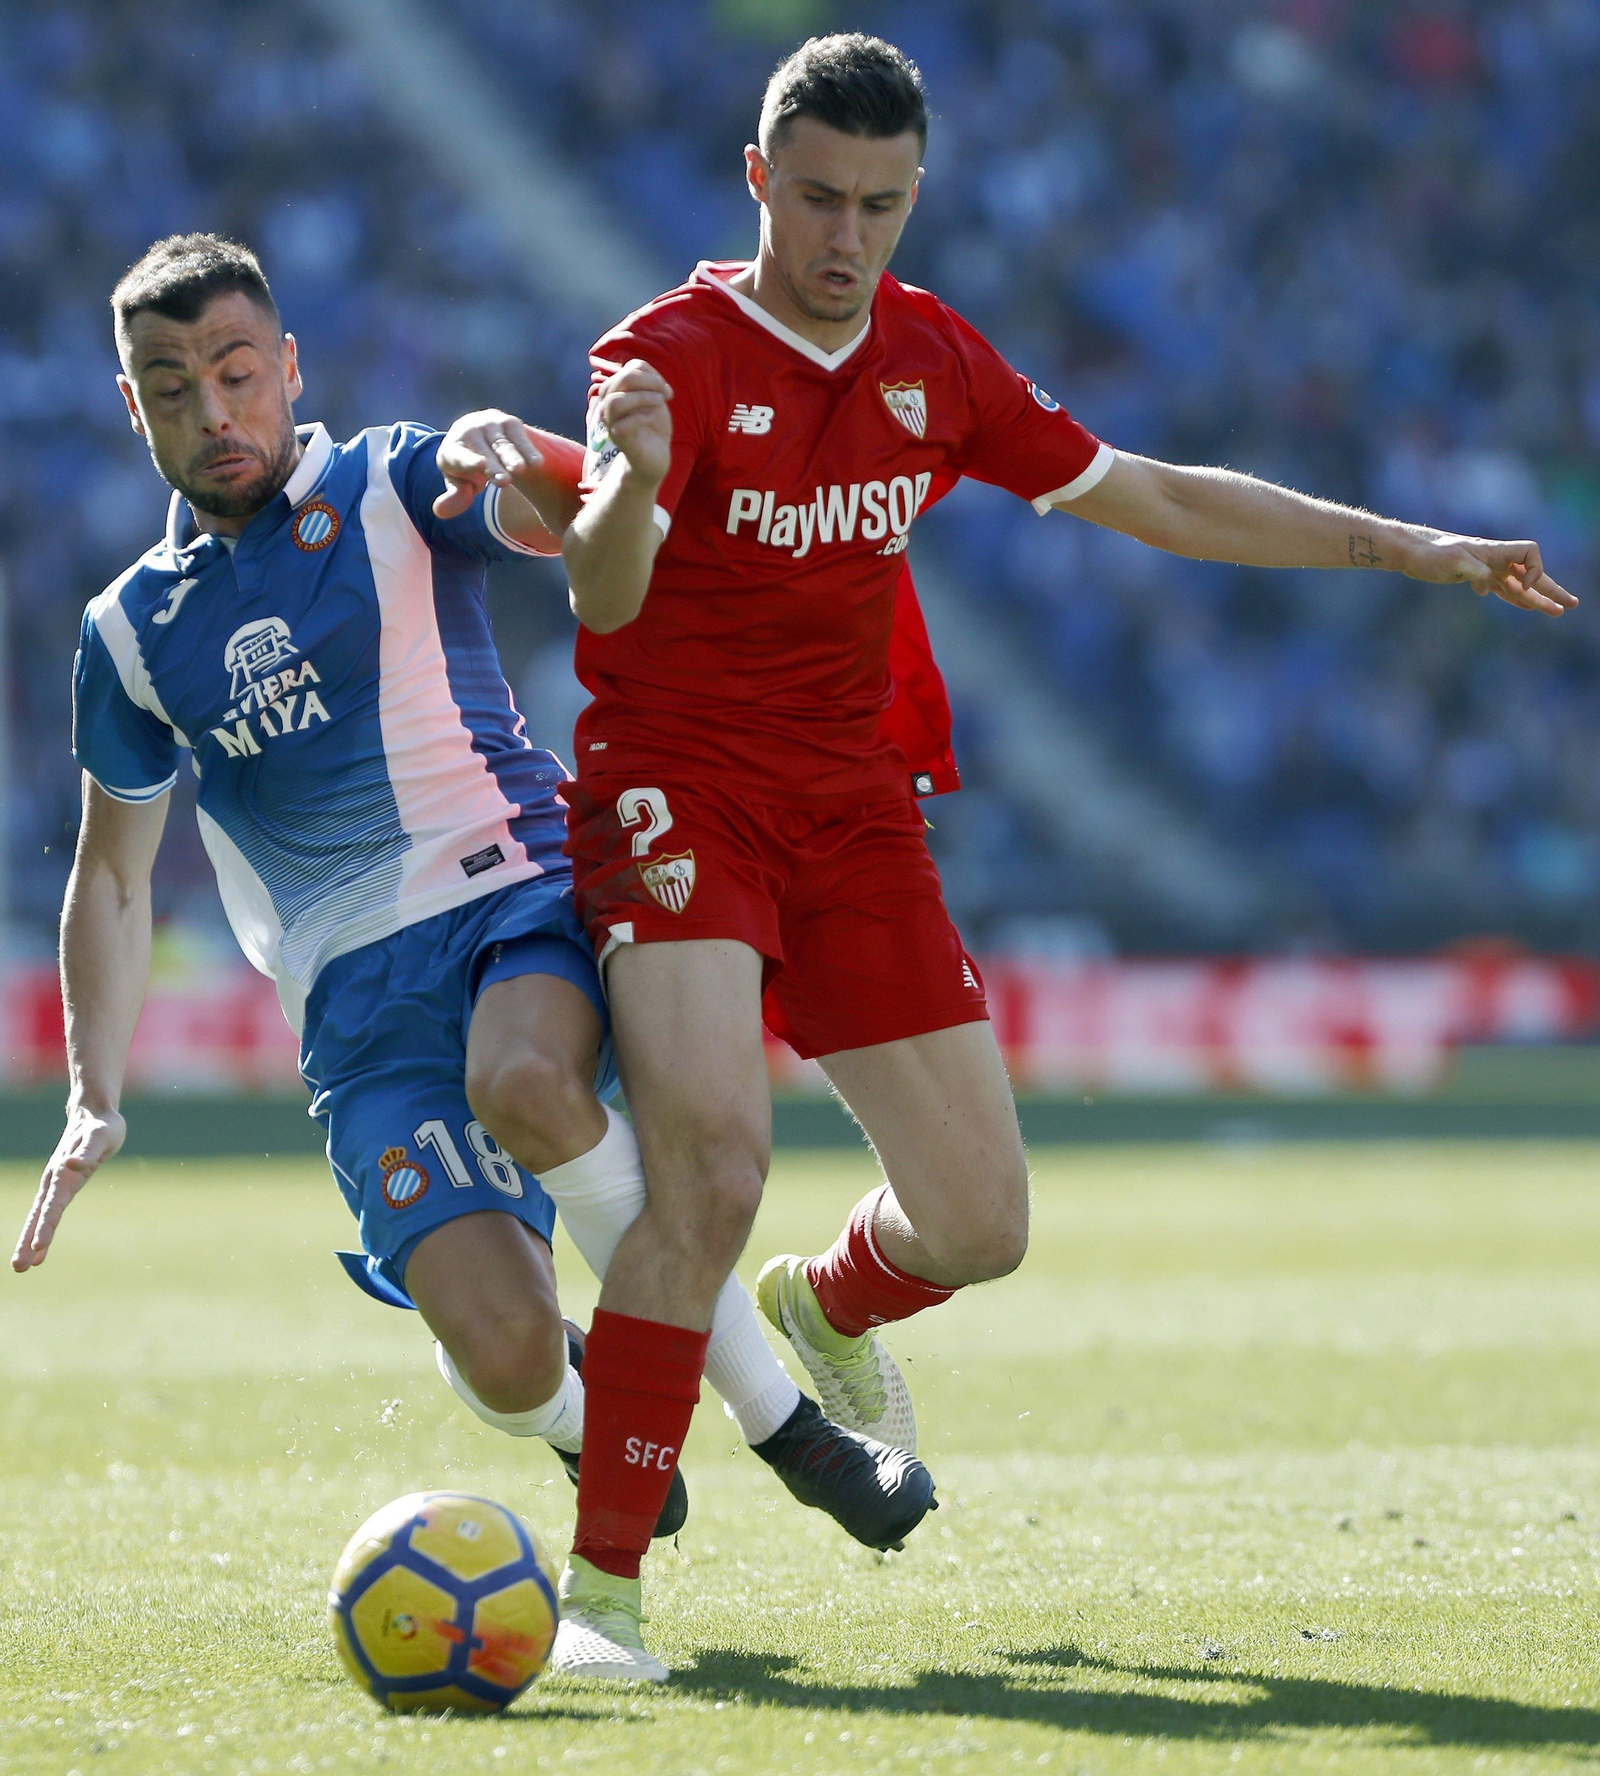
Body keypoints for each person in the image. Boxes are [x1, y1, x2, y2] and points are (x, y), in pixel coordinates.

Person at [551, 33, 1577, 1671]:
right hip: (676, 794)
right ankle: (603, 1597)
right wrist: (638, 479)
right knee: (715, 1172)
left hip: (854, 810)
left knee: (979, 1225)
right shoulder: (664, 358)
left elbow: (1153, 496)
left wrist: (1405, 544)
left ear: (914, 198)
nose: (845, 236)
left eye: (880, 204)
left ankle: (827, 1305)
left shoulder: (932, 356)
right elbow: (602, 596)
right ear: (756, 180)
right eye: (816, 198)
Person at [7, 231, 936, 1685]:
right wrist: (92, 1093)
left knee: (527, 1080)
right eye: (173, 388)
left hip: (514, 891)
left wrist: (548, 460)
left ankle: (791, 1431)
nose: (214, 412)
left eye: (238, 373)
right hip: (356, 1011)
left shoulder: (393, 480)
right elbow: (113, 877)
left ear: (288, 368)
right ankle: (587, 1414)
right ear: (133, 407)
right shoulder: (129, 634)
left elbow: (583, 524)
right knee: (504, 1358)